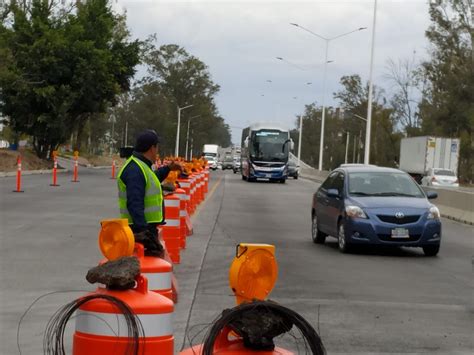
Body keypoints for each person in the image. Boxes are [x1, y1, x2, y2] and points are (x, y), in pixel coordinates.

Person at [117, 129, 182, 256]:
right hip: (139, 230)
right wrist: (145, 235)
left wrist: (168, 168)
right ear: (152, 148)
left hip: (144, 228)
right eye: (157, 148)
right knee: (148, 269)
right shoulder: (135, 169)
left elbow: (152, 179)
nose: (157, 152)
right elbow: (134, 204)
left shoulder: (142, 165)